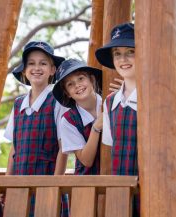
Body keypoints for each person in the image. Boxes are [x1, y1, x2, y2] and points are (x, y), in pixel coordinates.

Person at [4, 41, 69, 216]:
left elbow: (63, 149)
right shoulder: (18, 104)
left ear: (53, 70)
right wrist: (7, 184)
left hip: (47, 182)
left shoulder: (58, 101)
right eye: (31, 63)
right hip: (19, 184)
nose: (37, 68)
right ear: (24, 70)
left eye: (43, 63)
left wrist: (55, 185)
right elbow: (14, 149)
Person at [95, 22, 139, 215]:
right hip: (121, 194)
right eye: (117, 53)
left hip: (157, 190)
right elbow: (112, 148)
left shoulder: (159, 95)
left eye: (130, 51)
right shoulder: (110, 102)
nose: (123, 59)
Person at [52, 58, 102, 175]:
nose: (77, 85)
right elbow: (86, 160)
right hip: (85, 185)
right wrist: (96, 127)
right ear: (67, 93)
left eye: (81, 78)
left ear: (92, 80)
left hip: (118, 178)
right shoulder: (68, 120)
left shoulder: (110, 103)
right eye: (70, 84)